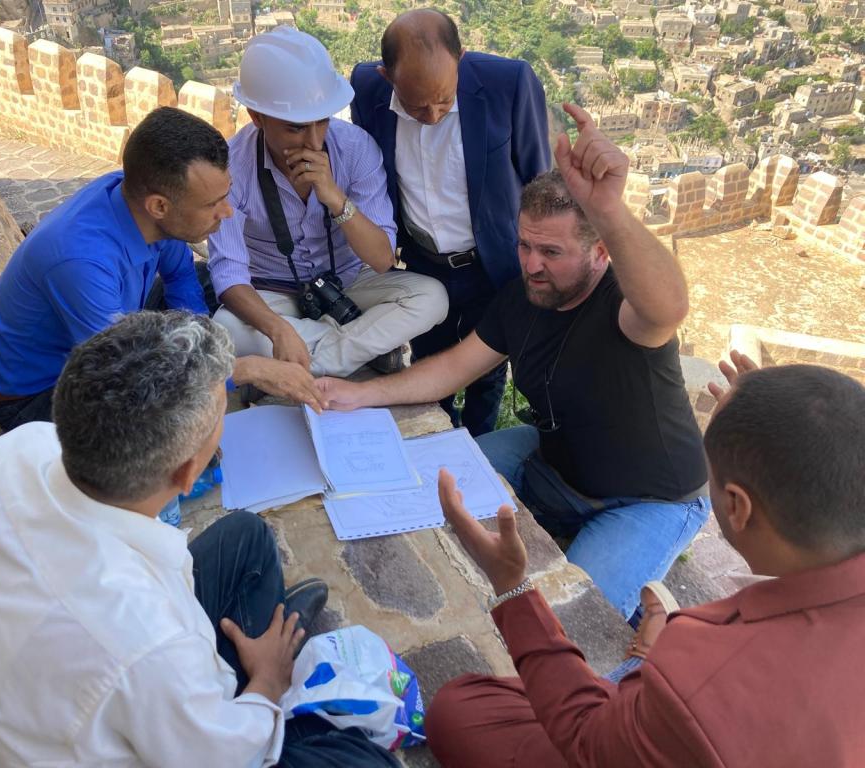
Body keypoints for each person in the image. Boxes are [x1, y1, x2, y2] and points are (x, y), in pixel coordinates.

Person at [0, 310, 399, 768]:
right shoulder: (148, 645)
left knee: (247, 536)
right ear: (187, 473)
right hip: (153, 725)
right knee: (362, 759)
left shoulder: (17, 449)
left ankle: (250, 674)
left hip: (77, 667)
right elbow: (221, 756)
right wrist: (266, 681)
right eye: (221, 413)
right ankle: (272, 698)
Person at [318, 104, 708, 621]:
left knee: (569, 619)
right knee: (431, 489)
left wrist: (610, 211)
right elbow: (454, 368)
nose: (531, 264)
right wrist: (360, 393)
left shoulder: (625, 309)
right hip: (550, 460)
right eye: (524, 245)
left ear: (599, 254)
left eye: (551, 251)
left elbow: (668, 308)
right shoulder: (524, 297)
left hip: (648, 496)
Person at [423, 359, 865, 767]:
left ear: (737, 506)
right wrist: (774, 417)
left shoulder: (705, 669)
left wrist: (512, 586)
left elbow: (587, 741)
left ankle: (642, 667)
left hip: (666, 725)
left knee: (459, 708)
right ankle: (640, 669)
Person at [0, 106, 323, 434]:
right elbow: (127, 375)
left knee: (211, 281)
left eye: (225, 195)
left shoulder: (149, 207)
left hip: (117, 327)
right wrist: (247, 370)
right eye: (211, 204)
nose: (227, 212)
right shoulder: (79, 261)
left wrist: (200, 347)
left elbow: (182, 276)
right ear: (158, 205)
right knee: (168, 435)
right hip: (43, 393)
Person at [350, 9, 550, 435]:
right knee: (427, 359)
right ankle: (436, 435)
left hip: (491, 262)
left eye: (444, 100)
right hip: (422, 263)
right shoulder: (365, 90)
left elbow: (537, 175)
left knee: (488, 368)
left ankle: (479, 443)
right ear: (388, 78)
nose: (434, 115)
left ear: (461, 57)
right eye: (417, 106)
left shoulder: (508, 84)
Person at [207, 26, 448, 378]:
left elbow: (382, 259)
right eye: (295, 128)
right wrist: (278, 329)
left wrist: (334, 197)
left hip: (350, 282)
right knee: (226, 328)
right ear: (256, 118)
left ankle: (305, 363)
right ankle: (358, 349)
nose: (314, 140)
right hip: (274, 291)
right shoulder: (232, 166)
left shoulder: (354, 148)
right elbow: (228, 274)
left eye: (321, 122)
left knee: (432, 298)